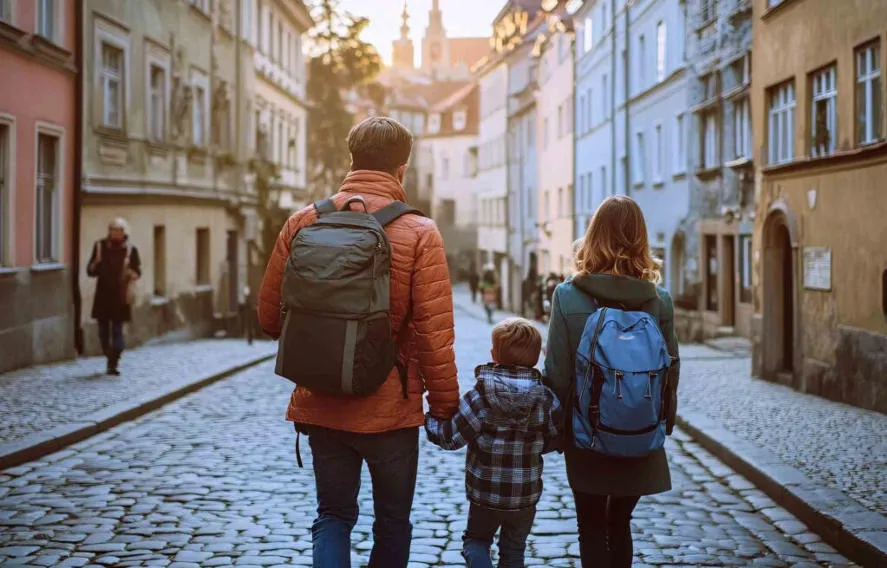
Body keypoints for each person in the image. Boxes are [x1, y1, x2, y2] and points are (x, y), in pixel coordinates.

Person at [257, 116, 460, 568]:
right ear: (402, 169)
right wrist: (445, 408)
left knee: (332, 515)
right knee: (392, 521)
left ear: (351, 160)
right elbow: (434, 335)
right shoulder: (420, 233)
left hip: (323, 401)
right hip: (391, 409)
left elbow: (270, 318)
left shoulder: (303, 222)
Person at [543, 196, 680, 568]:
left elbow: (555, 371)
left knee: (589, 525)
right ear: (640, 239)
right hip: (639, 430)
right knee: (619, 523)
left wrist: (555, 432)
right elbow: (671, 370)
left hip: (586, 434)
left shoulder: (567, 295)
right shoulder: (659, 301)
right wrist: (661, 421)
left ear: (593, 235)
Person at [425, 318, 561, 568]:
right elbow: (555, 437)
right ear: (535, 359)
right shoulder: (546, 399)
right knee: (514, 551)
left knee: (475, 541)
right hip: (524, 495)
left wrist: (429, 421)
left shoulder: (480, 396)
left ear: (494, 355)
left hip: (485, 494)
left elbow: (450, 438)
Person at [86, 218, 141, 376]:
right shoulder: (99, 247)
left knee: (117, 331)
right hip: (103, 295)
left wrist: (130, 273)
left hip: (120, 296)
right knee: (103, 333)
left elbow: (137, 271)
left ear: (124, 233)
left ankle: (113, 362)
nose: (116, 234)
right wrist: (96, 263)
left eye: (119, 231)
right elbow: (90, 272)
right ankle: (108, 354)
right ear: (109, 231)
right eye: (113, 230)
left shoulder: (130, 250)